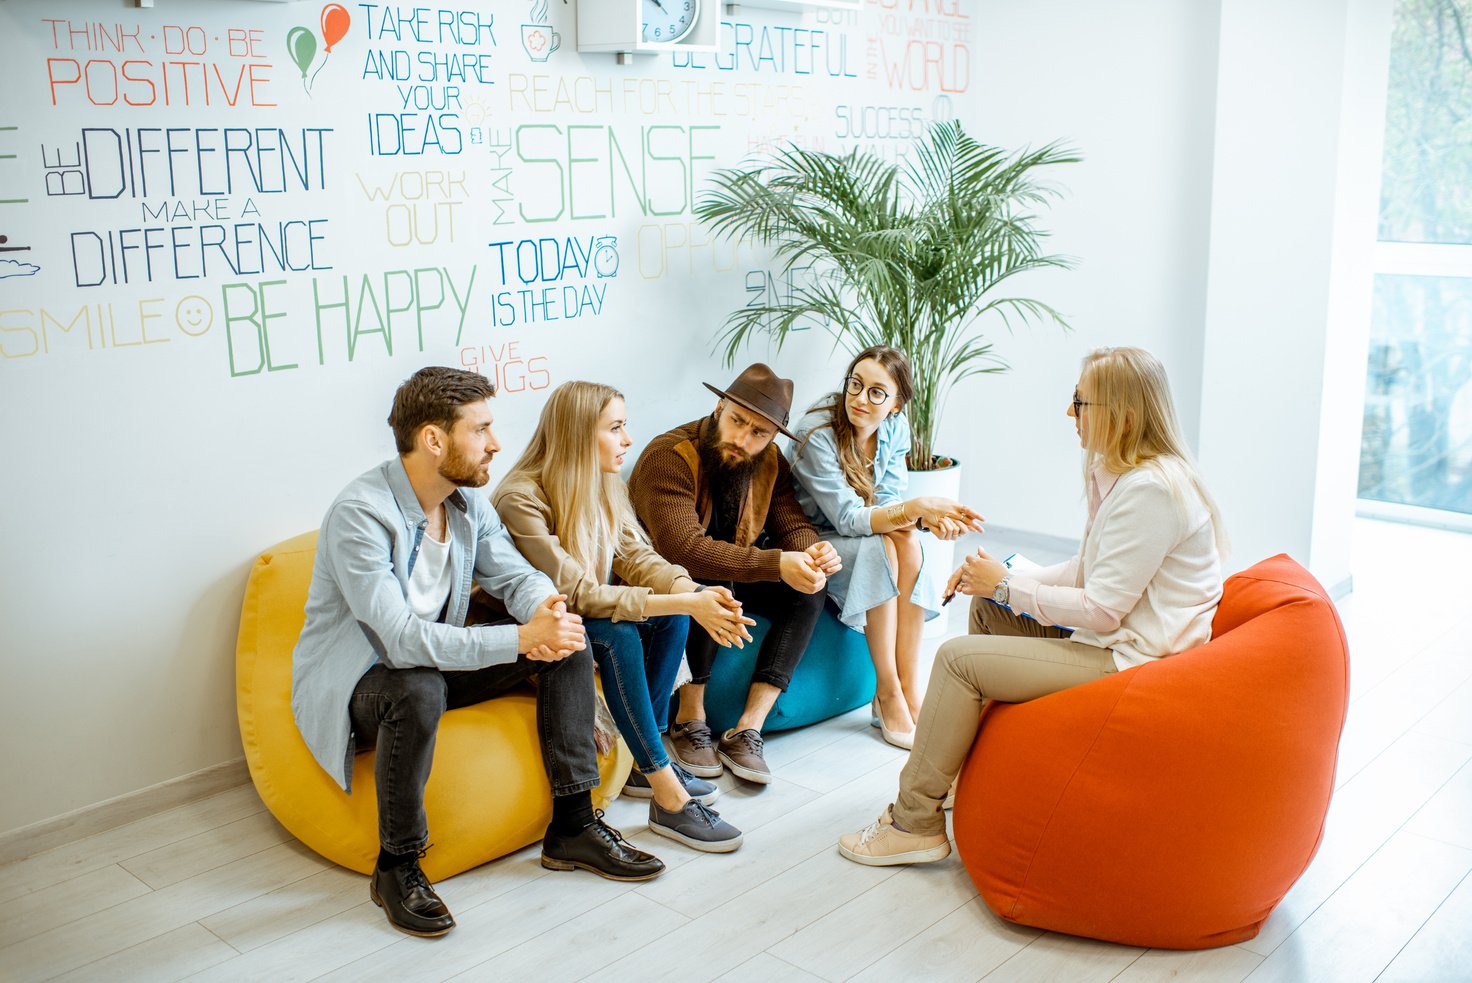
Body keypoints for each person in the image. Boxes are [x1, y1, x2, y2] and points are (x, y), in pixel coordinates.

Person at [291, 367, 662, 939]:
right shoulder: (360, 515)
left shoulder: (468, 504)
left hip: (431, 661)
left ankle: (574, 825)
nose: (495, 443)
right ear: (434, 440)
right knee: (417, 685)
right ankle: (397, 865)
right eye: (482, 429)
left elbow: (515, 577)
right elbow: (399, 641)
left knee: (566, 642)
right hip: (359, 682)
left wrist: (548, 613)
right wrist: (519, 638)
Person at [837, 346, 1227, 865]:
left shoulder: (1152, 492)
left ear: (1125, 416)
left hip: (1133, 663)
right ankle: (956, 776)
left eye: (1081, 403)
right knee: (988, 612)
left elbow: (1101, 609)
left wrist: (1005, 583)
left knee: (955, 661)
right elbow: (1087, 571)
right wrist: (999, 580)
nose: (1070, 413)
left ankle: (914, 821)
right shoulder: (1122, 476)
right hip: (1116, 640)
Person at [493, 381, 753, 852]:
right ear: (576, 435)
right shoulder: (520, 498)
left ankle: (641, 761)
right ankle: (668, 798)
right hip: (522, 636)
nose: (627, 440)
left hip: (576, 620)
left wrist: (691, 592)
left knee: (671, 619)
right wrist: (684, 601)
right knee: (617, 633)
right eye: (615, 428)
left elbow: (637, 557)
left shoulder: (603, 484)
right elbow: (577, 595)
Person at [627, 363, 842, 784]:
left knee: (810, 587)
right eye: (737, 421)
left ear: (773, 437)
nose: (743, 439)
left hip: (730, 568)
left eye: (759, 433)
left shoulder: (767, 461)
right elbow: (682, 548)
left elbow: (791, 523)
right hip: (665, 585)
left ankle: (748, 728)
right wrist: (775, 562)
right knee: (709, 578)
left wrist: (811, 553)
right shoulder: (669, 456)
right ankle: (689, 718)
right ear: (719, 406)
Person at [786, 345, 985, 748]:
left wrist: (924, 519)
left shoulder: (893, 428)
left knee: (909, 540)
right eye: (855, 385)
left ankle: (910, 684)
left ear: (895, 404)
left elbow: (890, 499)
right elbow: (845, 518)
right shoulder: (816, 435)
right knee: (886, 545)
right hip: (818, 540)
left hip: (869, 532)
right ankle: (888, 691)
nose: (860, 399)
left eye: (877, 392)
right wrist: (916, 511)